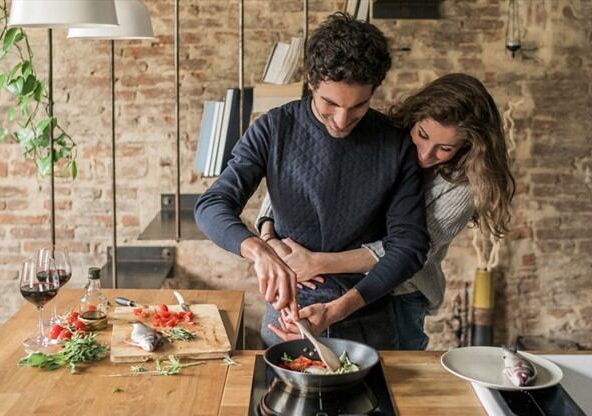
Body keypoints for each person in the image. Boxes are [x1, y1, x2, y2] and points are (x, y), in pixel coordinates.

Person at [194, 13, 429, 349]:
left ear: (375, 89)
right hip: (288, 315)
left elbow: (409, 246)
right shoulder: (274, 129)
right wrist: (259, 250)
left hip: (367, 314)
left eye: (359, 105)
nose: (342, 120)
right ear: (311, 80)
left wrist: (336, 310)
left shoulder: (395, 144)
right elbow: (211, 205)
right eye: (329, 103)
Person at [261, 73, 515, 349]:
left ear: (468, 147)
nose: (425, 154)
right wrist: (268, 237)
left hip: (400, 294)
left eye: (444, 148)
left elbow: (407, 251)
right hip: (329, 281)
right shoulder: (382, 137)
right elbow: (294, 181)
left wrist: (316, 262)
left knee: (391, 371)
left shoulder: (462, 188)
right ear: (414, 118)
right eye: (422, 135)